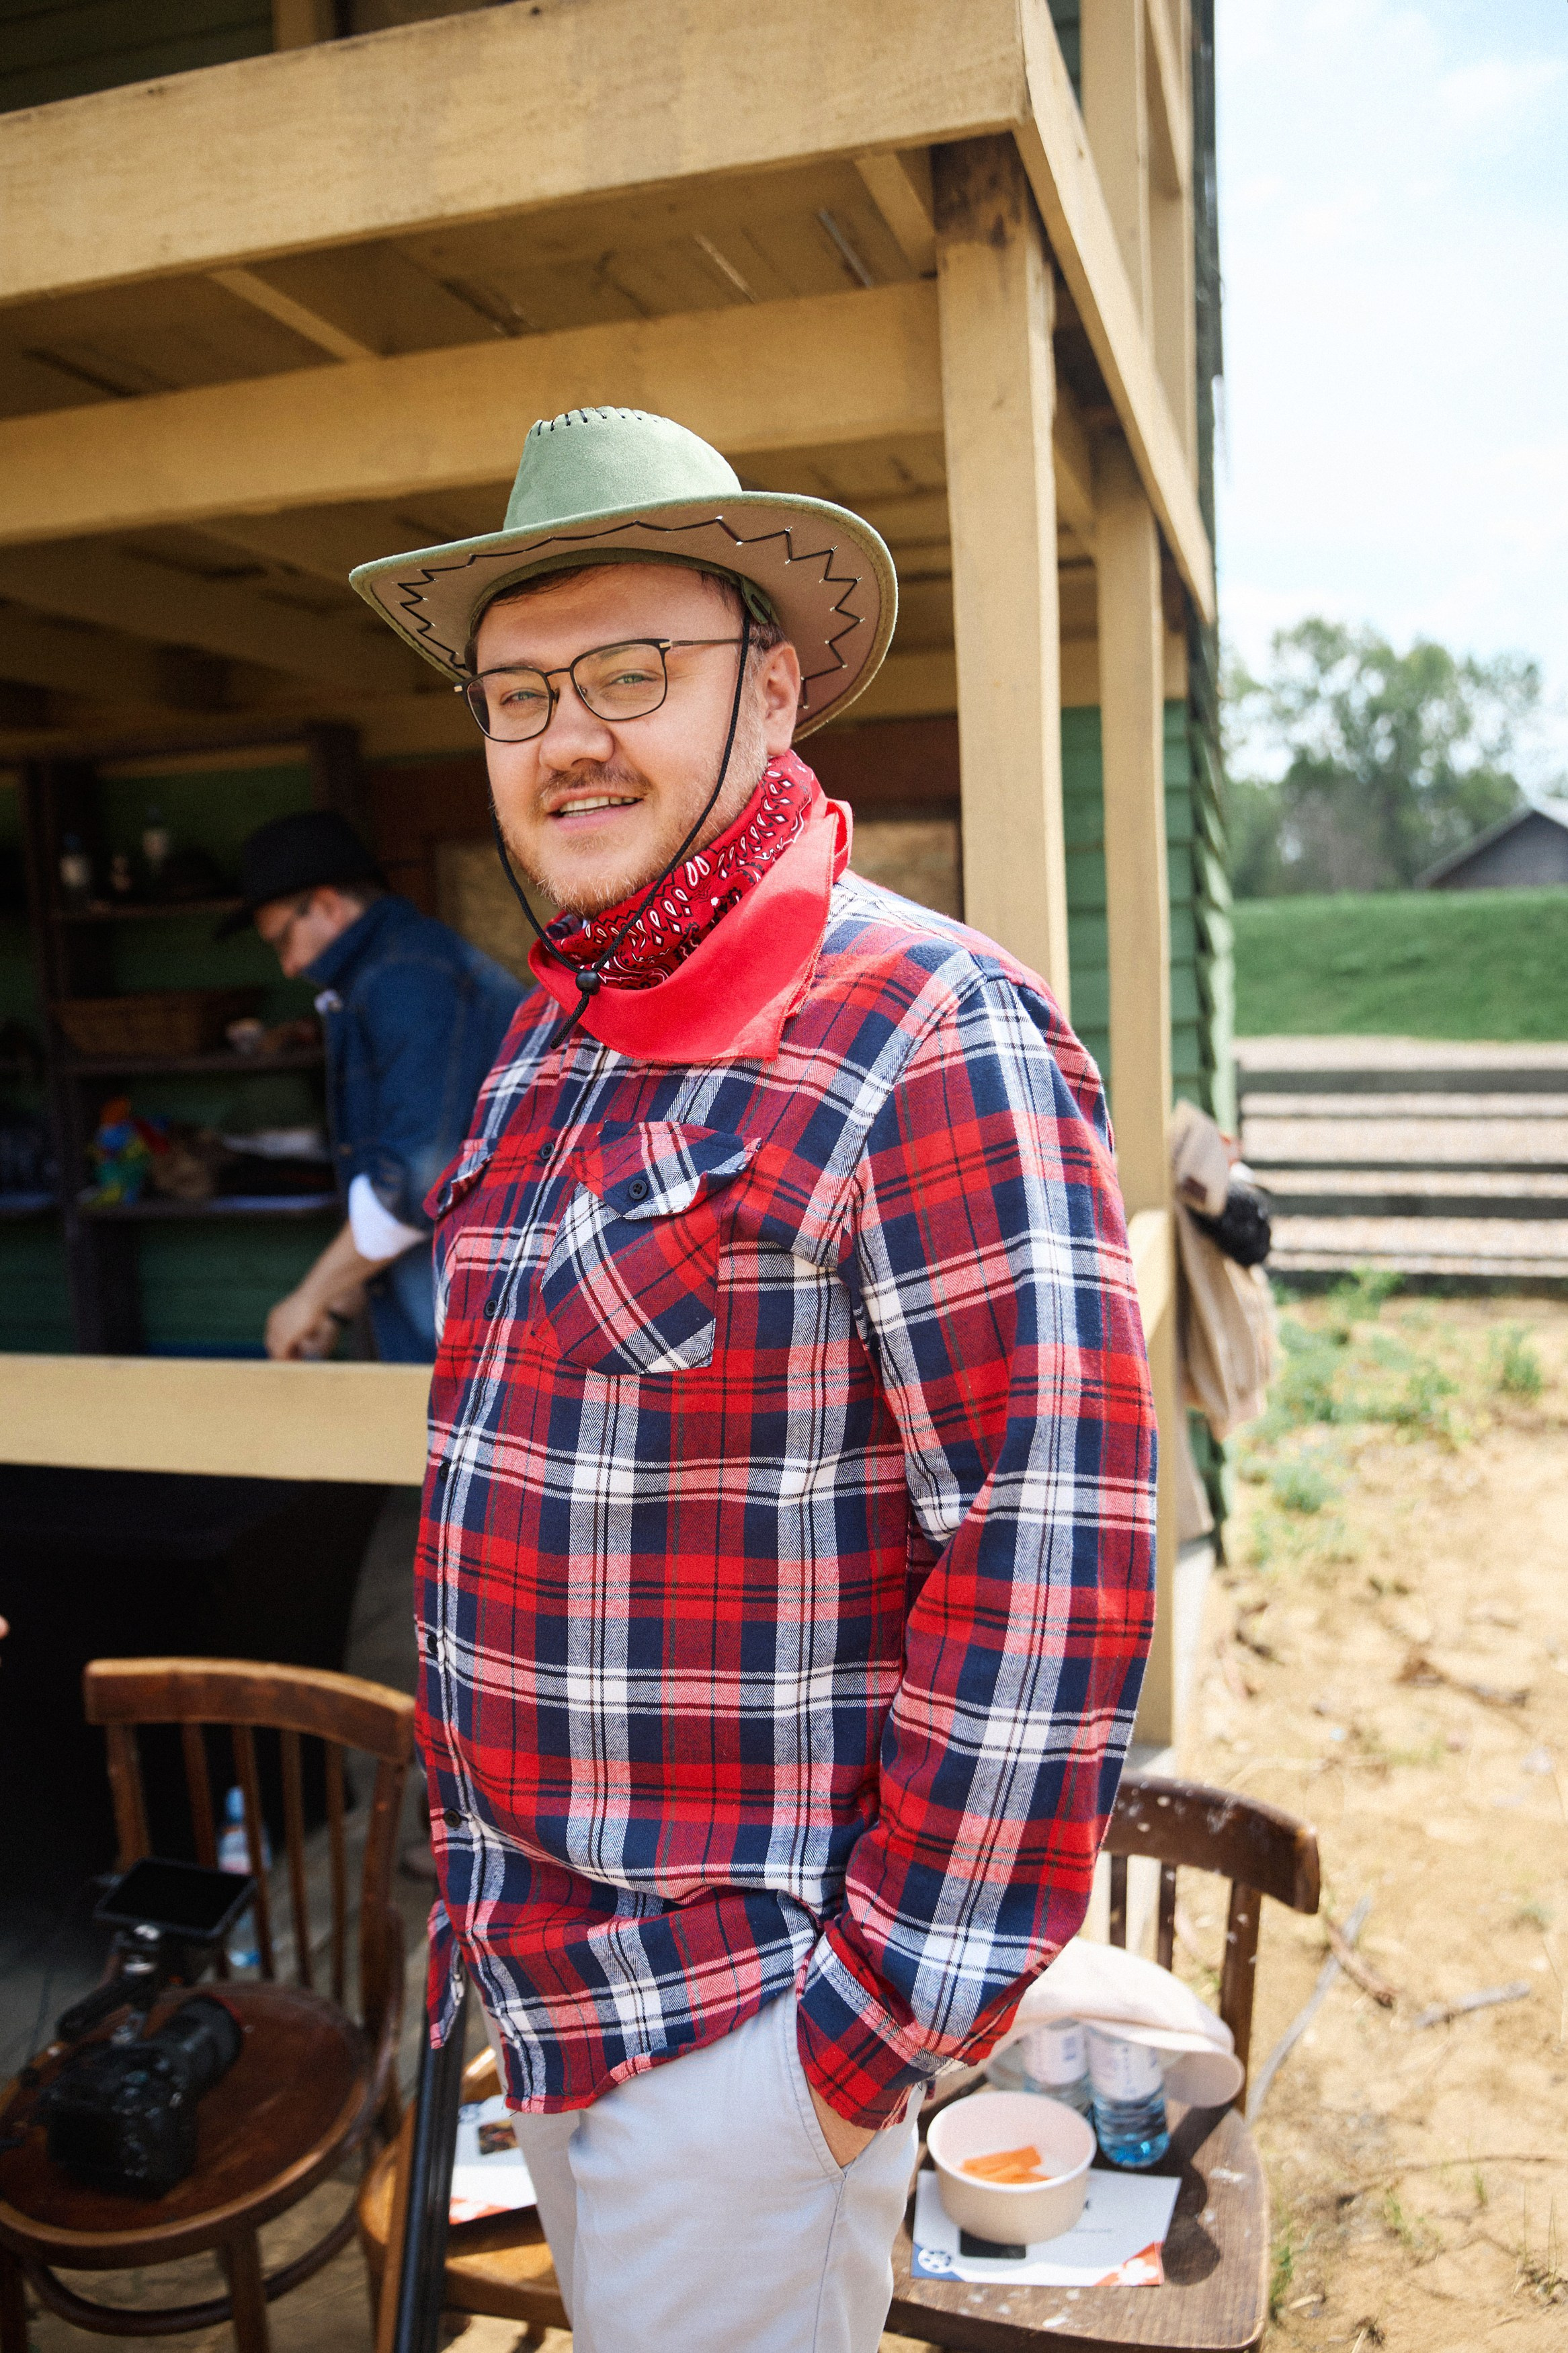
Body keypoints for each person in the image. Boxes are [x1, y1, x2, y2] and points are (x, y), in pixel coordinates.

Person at [351, 407, 1158, 2353]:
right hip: (544, 1977)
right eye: (520, 689)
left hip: (740, 2019)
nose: (567, 735)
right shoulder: (558, 1045)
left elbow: (1042, 1557)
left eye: (632, 670)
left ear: (772, 690)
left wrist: (855, 2040)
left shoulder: (920, 1025)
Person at [220, 810, 522, 1362]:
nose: (286, 967)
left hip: (483, 1312)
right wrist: (338, 1304)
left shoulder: (407, 979)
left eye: (281, 939)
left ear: (329, 905)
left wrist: (312, 1296)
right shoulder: (388, 972)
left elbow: (419, 1173)